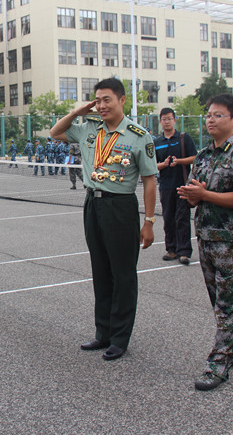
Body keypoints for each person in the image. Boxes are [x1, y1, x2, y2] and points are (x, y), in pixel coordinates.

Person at [50, 77, 157, 362]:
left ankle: (120, 338)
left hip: (120, 207)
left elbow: (149, 180)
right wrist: (77, 112)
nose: (102, 105)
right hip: (92, 204)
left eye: (107, 99)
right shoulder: (88, 129)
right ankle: (103, 332)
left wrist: (149, 221)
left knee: (122, 274)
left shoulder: (138, 135)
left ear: (123, 100)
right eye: (97, 100)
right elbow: (55, 132)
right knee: (100, 270)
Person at [177, 94, 233, 391]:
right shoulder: (204, 156)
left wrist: (204, 195)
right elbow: (198, 192)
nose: (210, 119)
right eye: (208, 115)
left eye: (218, 115)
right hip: (207, 239)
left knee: (227, 303)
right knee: (221, 301)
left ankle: (218, 364)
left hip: (231, 244)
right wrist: (191, 194)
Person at [154, 108, 197, 265]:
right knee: (168, 218)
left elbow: (194, 158)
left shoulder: (184, 138)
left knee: (182, 218)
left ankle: (184, 251)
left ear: (175, 120)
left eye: (169, 118)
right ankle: (171, 249)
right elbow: (152, 165)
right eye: (164, 119)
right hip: (165, 186)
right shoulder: (157, 142)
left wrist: (180, 161)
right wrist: (164, 165)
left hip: (183, 185)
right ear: (160, 121)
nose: (167, 121)